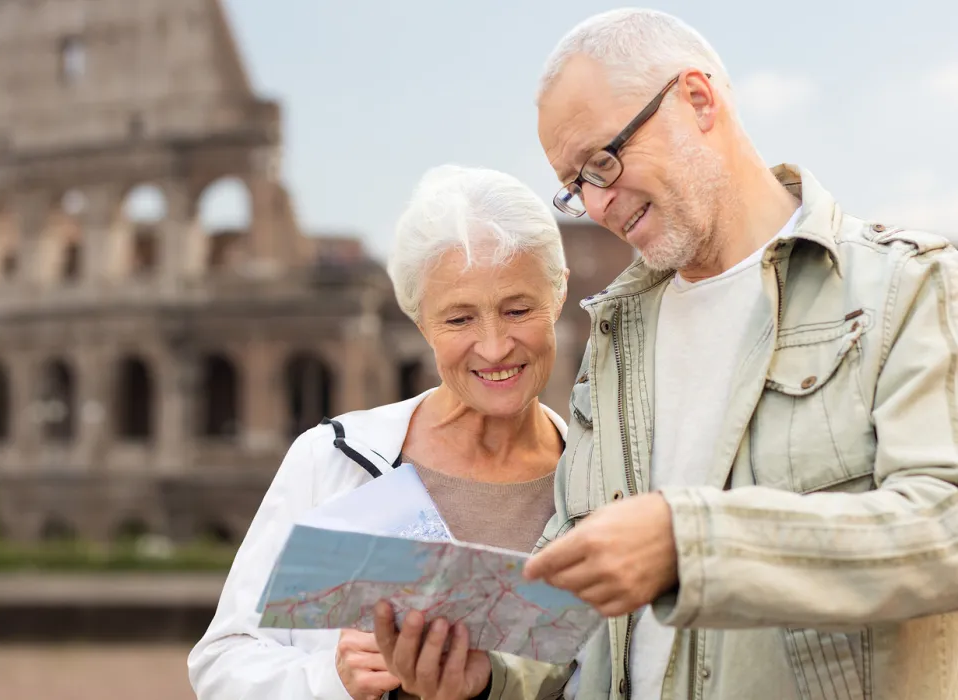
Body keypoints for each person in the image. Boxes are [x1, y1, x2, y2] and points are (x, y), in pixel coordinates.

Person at [374, 8, 958, 700]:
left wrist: (692, 543)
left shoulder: (911, 287)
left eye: (602, 161)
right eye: (574, 184)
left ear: (698, 99)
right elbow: (574, 576)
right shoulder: (616, 334)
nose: (595, 205)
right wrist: (491, 675)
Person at [187, 164, 575, 700]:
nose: (493, 346)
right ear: (421, 323)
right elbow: (221, 662)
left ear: (559, 294)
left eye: (517, 309)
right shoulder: (332, 459)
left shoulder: (600, 479)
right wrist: (333, 680)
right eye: (459, 319)